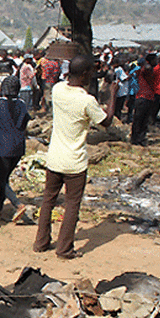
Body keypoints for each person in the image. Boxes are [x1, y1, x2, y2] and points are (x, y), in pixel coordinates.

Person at [33, 55, 117, 259]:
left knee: (48, 201)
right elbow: (106, 123)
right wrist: (112, 95)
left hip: (54, 158)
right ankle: (64, 249)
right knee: (72, 205)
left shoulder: (58, 89)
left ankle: (41, 242)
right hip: (75, 162)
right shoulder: (87, 101)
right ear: (86, 73)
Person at [0, 76, 31, 222]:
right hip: (18, 146)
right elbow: (25, 121)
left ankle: (17, 204)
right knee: (5, 178)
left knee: (0, 179)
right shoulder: (22, 104)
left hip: (3, 146)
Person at [131, 54, 157, 146]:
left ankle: (140, 139)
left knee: (144, 120)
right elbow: (146, 68)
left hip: (148, 97)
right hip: (143, 97)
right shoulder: (145, 68)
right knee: (139, 119)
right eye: (155, 60)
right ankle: (135, 139)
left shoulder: (148, 70)